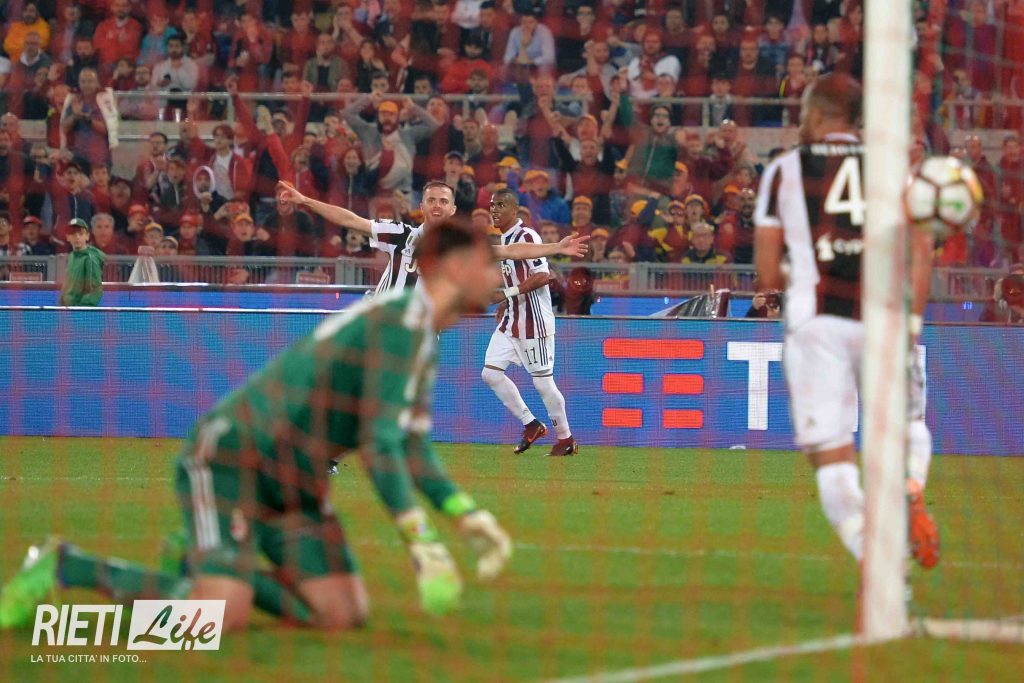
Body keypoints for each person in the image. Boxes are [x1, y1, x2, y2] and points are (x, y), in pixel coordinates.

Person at [0, 221, 515, 631]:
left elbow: (410, 443)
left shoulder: (420, 334)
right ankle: (67, 565)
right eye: (490, 264)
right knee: (216, 617)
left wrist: (465, 514)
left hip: (295, 485)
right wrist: (422, 540)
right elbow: (379, 443)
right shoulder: (399, 322)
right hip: (236, 460)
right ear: (455, 266)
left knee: (341, 614)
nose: (498, 275)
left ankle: (205, 561)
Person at [753, 73, 939, 572]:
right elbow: (922, 252)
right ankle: (910, 485)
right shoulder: (894, 170)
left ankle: (879, 563)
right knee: (907, 423)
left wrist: (803, 271)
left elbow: (767, 273)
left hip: (817, 323)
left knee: (831, 456)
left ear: (815, 113)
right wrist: (913, 322)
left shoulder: (784, 170)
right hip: (884, 316)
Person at [276, 180, 590, 297]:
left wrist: (557, 246)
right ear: (422, 206)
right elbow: (350, 220)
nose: (437, 205)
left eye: (443, 201)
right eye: (431, 200)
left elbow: (509, 251)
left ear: (452, 209)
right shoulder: (400, 235)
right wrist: (304, 200)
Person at [483, 188, 578, 457]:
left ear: (516, 210)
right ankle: (532, 424)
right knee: (490, 374)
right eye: (492, 205)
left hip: (534, 322)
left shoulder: (527, 236)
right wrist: (507, 302)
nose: (494, 210)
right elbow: (518, 278)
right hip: (513, 319)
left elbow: (543, 276)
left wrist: (506, 294)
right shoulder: (505, 238)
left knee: (543, 383)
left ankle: (566, 439)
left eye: (501, 205)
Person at [58, 218, 104, 306]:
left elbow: (94, 291)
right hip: (67, 310)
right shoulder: (71, 256)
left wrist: (80, 310)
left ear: (87, 236)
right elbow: (67, 286)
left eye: (80, 233)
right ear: (68, 237)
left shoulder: (90, 259)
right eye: (73, 234)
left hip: (79, 312)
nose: (77, 237)